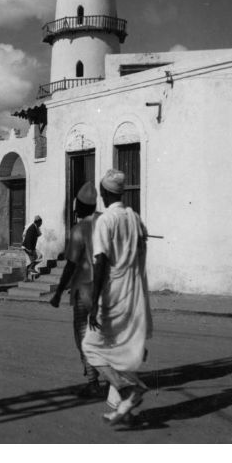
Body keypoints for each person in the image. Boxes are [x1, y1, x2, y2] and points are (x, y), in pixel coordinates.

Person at [80, 169, 153, 426]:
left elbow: (100, 263)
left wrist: (94, 303)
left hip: (114, 296)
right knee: (119, 349)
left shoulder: (105, 221)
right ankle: (123, 409)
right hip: (135, 295)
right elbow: (141, 253)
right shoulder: (135, 218)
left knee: (91, 347)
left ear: (103, 193)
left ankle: (127, 389)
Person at [49, 181, 103, 398]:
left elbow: (71, 265)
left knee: (83, 336)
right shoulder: (104, 222)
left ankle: (93, 382)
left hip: (84, 291)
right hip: (106, 288)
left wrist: (59, 291)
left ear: (80, 207)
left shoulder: (79, 230)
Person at [22, 215, 43, 281]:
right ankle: (31, 269)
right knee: (39, 256)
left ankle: (26, 277)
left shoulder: (35, 227)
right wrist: (30, 249)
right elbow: (29, 239)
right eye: (41, 222)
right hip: (28, 247)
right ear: (38, 222)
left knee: (29, 261)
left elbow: (39, 234)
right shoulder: (32, 228)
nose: (41, 224)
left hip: (28, 246)